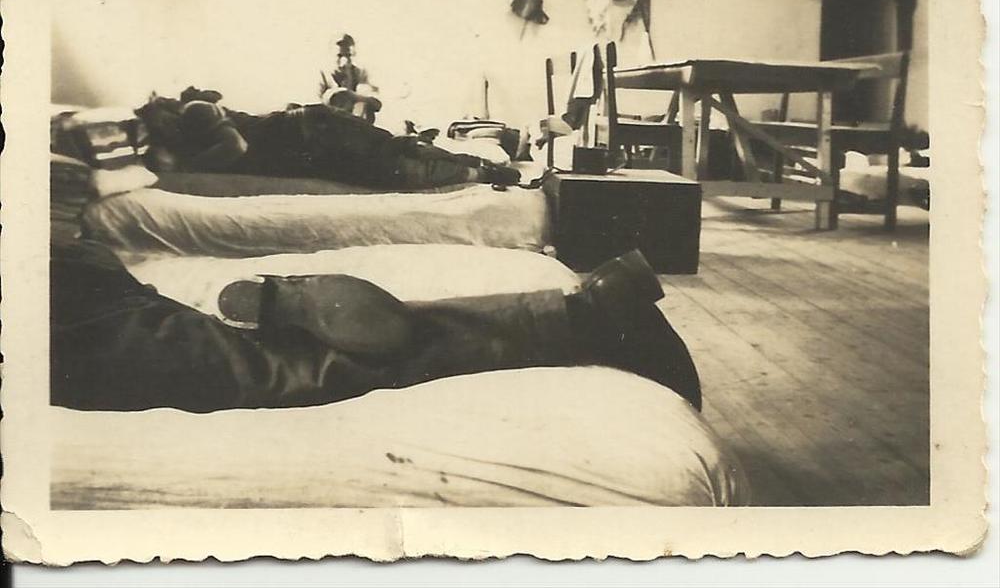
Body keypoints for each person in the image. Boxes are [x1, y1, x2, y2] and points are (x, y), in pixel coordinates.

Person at [51, 240, 701, 413]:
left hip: (56, 311)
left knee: (271, 367)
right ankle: (581, 312)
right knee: (261, 351)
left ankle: (584, 319)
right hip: (73, 274)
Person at [144, 96, 521, 189]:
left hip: (309, 135)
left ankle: (479, 173)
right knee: (396, 149)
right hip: (312, 131)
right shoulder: (193, 124)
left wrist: (185, 168)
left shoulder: (195, 111)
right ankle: (481, 166)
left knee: (391, 168)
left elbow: (235, 148)